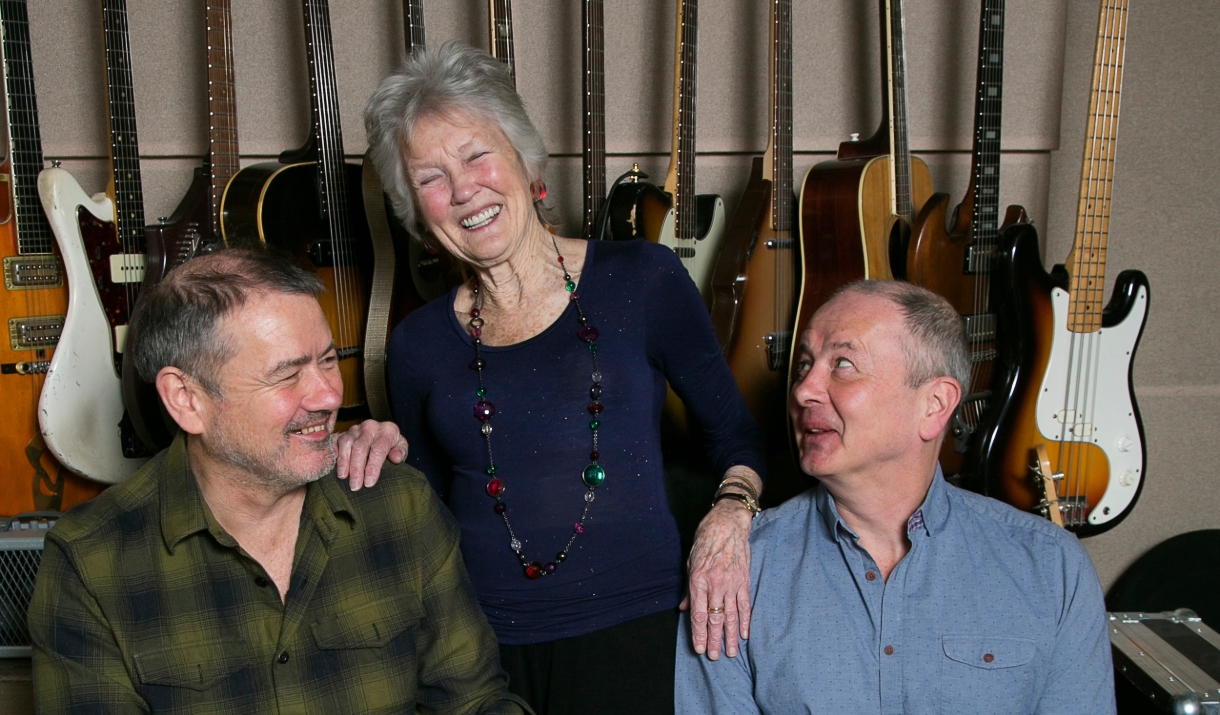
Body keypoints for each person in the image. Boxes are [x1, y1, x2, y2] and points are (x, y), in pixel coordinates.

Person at [358, 41, 766, 712]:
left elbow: (737, 436)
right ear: (417, 212)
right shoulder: (416, 345)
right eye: (429, 176)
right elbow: (422, 511)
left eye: (477, 155)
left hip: (633, 632)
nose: (463, 190)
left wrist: (731, 511)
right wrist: (372, 450)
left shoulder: (644, 278)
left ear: (523, 159)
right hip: (478, 652)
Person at [27, 249, 530, 714]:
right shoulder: (91, 562)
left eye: (328, 360)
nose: (328, 395)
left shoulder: (397, 504)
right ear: (186, 399)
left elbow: (476, 703)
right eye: (287, 375)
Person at [675, 280, 1116, 714]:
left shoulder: (1052, 567)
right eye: (805, 364)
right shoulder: (734, 569)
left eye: (843, 364)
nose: (803, 390)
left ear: (935, 405)